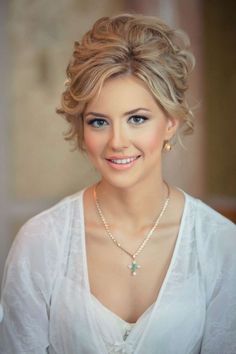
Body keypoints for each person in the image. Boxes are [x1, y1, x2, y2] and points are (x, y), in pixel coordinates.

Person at [0, 13, 235, 354]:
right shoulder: (41, 242)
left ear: (170, 121)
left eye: (137, 119)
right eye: (99, 122)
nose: (117, 141)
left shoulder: (220, 246)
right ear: (81, 127)